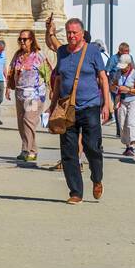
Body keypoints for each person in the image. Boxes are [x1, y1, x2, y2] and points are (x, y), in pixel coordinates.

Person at [49, 17, 110, 203]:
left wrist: (106, 103)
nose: (71, 36)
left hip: (90, 106)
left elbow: (102, 78)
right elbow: (59, 80)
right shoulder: (62, 52)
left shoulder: (92, 51)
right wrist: (53, 104)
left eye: (74, 32)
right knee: (68, 151)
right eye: (68, 33)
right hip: (67, 108)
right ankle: (76, 192)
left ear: (82, 33)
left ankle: (97, 178)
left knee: (92, 147)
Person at [5, 30, 48, 163]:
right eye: (20, 39)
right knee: (21, 123)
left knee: (28, 121)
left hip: (34, 94)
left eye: (25, 39)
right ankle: (26, 149)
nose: (22, 42)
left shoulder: (39, 55)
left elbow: (48, 73)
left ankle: (31, 151)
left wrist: (52, 89)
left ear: (31, 40)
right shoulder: (18, 55)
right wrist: (8, 87)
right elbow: (11, 71)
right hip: (20, 92)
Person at [112, 54, 135, 157]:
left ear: (129, 65)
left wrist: (128, 89)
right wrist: (117, 89)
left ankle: (132, 147)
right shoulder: (118, 73)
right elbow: (113, 86)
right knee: (122, 124)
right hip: (121, 101)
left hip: (133, 101)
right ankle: (127, 146)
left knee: (130, 123)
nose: (122, 69)